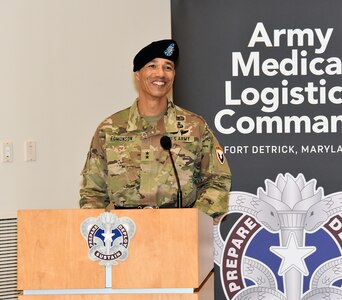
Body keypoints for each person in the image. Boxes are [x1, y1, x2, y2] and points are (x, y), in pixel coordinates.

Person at [79, 39, 231, 219]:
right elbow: (92, 192)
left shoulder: (195, 127)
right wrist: (100, 232)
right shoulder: (110, 129)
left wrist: (193, 221)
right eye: (152, 66)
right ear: (137, 74)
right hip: (125, 235)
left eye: (168, 67)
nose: (161, 74)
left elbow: (217, 181)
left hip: (180, 232)